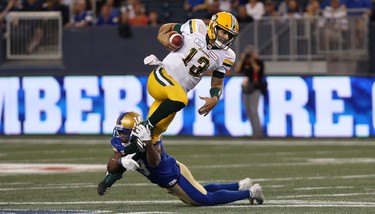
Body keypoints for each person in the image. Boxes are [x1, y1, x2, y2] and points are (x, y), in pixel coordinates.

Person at [97, 111, 265, 206]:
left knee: (204, 199)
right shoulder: (120, 143)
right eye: (120, 132)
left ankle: (250, 192)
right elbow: (113, 165)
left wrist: (147, 142)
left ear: (135, 130)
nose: (121, 136)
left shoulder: (151, 136)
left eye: (125, 133)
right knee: (201, 190)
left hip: (174, 176)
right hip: (167, 179)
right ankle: (239, 185)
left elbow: (155, 162)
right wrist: (120, 163)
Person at [141, 11, 239, 144]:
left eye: (229, 35)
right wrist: (161, 36)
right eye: (223, 32)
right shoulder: (196, 26)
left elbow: (216, 84)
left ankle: (128, 156)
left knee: (152, 137)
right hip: (163, 77)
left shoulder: (227, 56)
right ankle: (145, 126)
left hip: (174, 93)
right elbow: (166, 28)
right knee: (180, 101)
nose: (225, 37)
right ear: (213, 27)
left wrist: (215, 97)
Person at [235, 46, 267, 138]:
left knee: (254, 110)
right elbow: (237, 70)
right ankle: (254, 132)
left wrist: (252, 60)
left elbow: (257, 70)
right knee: (248, 111)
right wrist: (242, 59)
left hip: (255, 88)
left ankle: (258, 133)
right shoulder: (245, 62)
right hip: (246, 88)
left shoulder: (258, 62)